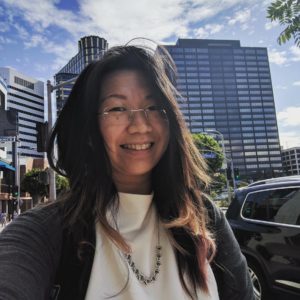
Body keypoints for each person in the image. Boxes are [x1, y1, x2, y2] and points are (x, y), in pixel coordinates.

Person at [0, 43, 254, 300]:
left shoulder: (204, 217)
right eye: (117, 109)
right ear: (90, 131)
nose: (140, 125)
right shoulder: (45, 232)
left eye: (154, 107)